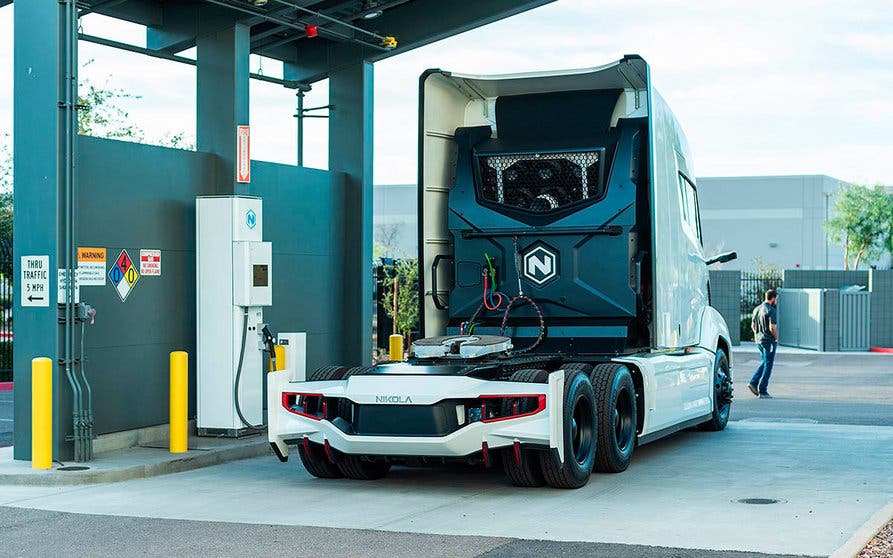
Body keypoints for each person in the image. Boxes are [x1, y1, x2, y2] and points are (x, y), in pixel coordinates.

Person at [749, 289, 778, 399]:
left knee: (766, 362)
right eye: (776, 298)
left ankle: (753, 382)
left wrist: (758, 335)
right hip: (768, 341)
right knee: (768, 365)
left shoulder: (757, 309)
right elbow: (772, 327)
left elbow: (753, 326)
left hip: (759, 340)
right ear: (773, 298)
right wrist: (775, 338)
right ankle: (763, 390)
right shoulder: (771, 310)